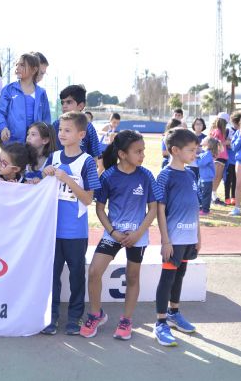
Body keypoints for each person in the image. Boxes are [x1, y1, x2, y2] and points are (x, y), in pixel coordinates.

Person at [80, 130, 160, 340]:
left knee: (132, 276)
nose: (142, 155)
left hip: (137, 236)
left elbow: (153, 208)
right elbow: (99, 209)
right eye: (138, 151)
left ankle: (126, 320)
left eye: (143, 151)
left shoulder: (146, 175)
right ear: (123, 154)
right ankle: (96, 315)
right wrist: (113, 232)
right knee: (94, 272)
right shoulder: (108, 176)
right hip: (112, 234)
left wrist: (138, 233)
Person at [40, 112, 101, 335]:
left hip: (75, 232)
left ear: (81, 135)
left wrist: (67, 179)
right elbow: (42, 185)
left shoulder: (87, 162)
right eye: (60, 130)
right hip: (52, 230)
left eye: (68, 130)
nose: (62, 134)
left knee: (76, 276)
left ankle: (75, 317)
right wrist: (45, 173)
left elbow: (88, 199)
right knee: (52, 275)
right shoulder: (53, 156)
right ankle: (51, 316)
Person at [153, 128, 202, 347]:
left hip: (189, 237)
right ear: (175, 150)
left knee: (180, 275)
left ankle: (174, 312)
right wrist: (166, 240)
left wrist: (198, 235)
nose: (195, 154)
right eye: (191, 150)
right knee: (168, 278)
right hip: (173, 239)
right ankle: (160, 322)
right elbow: (160, 209)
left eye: (196, 149)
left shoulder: (191, 174)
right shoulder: (165, 175)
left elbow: (195, 207)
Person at [0, 53, 51, 144]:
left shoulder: (41, 93)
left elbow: (46, 119)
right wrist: (3, 128)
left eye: (22, 65)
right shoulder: (9, 89)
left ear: (34, 70)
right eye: (16, 64)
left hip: (34, 145)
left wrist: (44, 137)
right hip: (12, 144)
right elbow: (0, 112)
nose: (17, 68)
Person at [51, 85, 100, 160]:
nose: (64, 106)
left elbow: (95, 155)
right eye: (62, 102)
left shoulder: (88, 127)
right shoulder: (56, 124)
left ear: (80, 106)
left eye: (69, 102)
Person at [209, 116, 229, 205]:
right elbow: (216, 143)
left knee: (218, 177)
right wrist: (227, 142)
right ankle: (211, 196)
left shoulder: (220, 131)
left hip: (221, 156)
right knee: (216, 177)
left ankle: (213, 195)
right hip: (218, 156)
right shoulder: (217, 131)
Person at [198, 137, 220, 215]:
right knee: (201, 193)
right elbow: (201, 157)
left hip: (206, 179)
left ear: (208, 144)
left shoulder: (208, 154)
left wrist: (194, 159)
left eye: (205, 139)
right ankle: (202, 208)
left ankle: (205, 210)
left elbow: (201, 164)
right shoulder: (206, 153)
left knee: (206, 194)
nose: (202, 139)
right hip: (203, 178)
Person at [224, 112, 241, 205]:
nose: (237, 125)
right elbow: (223, 142)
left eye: (238, 123)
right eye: (235, 122)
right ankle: (227, 197)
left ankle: (233, 197)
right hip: (229, 159)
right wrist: (231, 142)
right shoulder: (228, 130)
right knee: (228, 179)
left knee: (236, 179)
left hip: (238, 160)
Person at [189, 117, 207, 182]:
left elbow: (207, 151)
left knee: (200, 183)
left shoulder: (206, 138)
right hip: (191, 163)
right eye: (197, 124)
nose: (198, 126)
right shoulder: (189, 136)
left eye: (200, 124)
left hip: (202, 164)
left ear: (203, 125)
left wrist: (201, 150)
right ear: (193, 125)